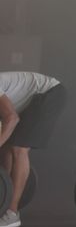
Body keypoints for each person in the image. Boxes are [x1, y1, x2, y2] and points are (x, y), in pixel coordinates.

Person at [0, 71, 67, 227]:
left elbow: (12, 119)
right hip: (29, 104)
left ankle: (11, 213)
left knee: (18, 149)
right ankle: (4, 199)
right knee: (6, 149)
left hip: (49, 94)